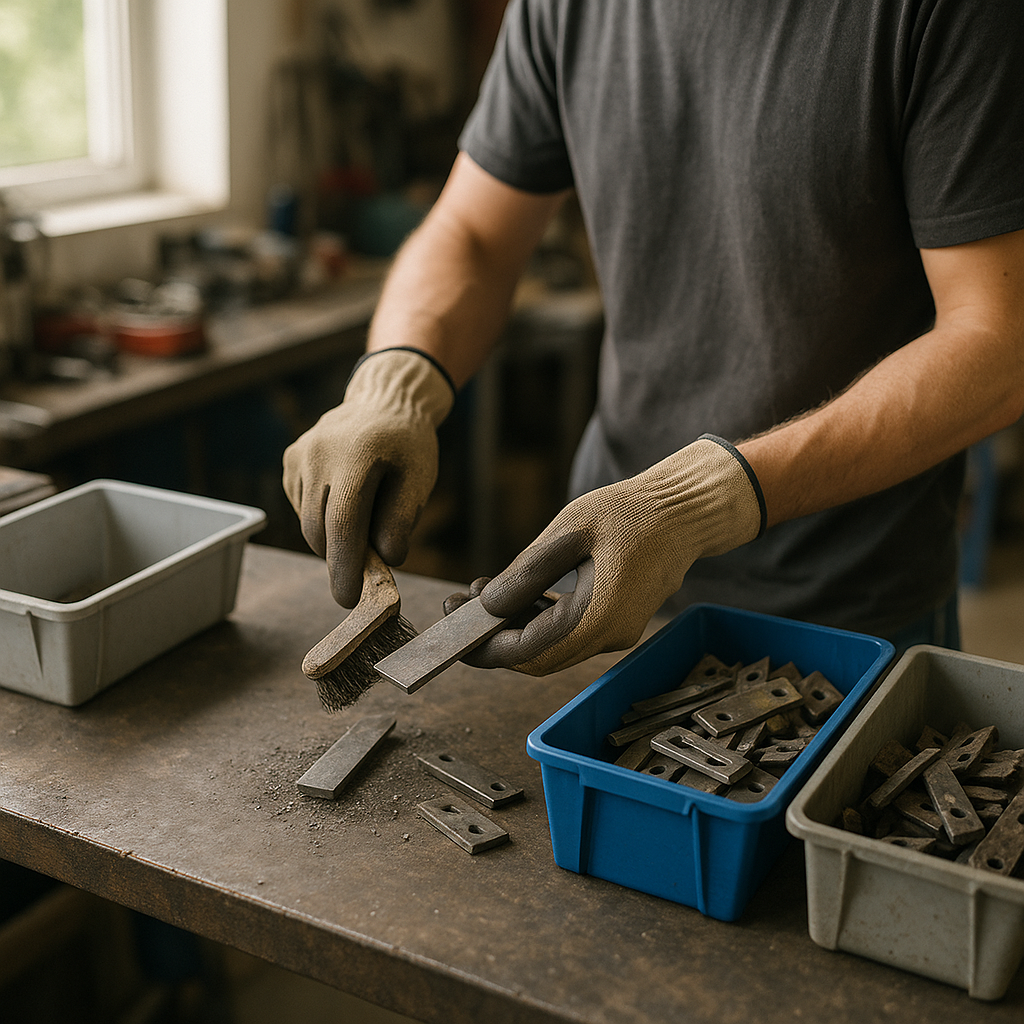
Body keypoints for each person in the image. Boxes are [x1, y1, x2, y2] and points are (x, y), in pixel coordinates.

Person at [283, 0, 1024, 675]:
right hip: (602, 577)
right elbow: (475, 231)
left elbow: (1000, 339)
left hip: (845, 612)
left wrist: (697, 501)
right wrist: (395, 384)